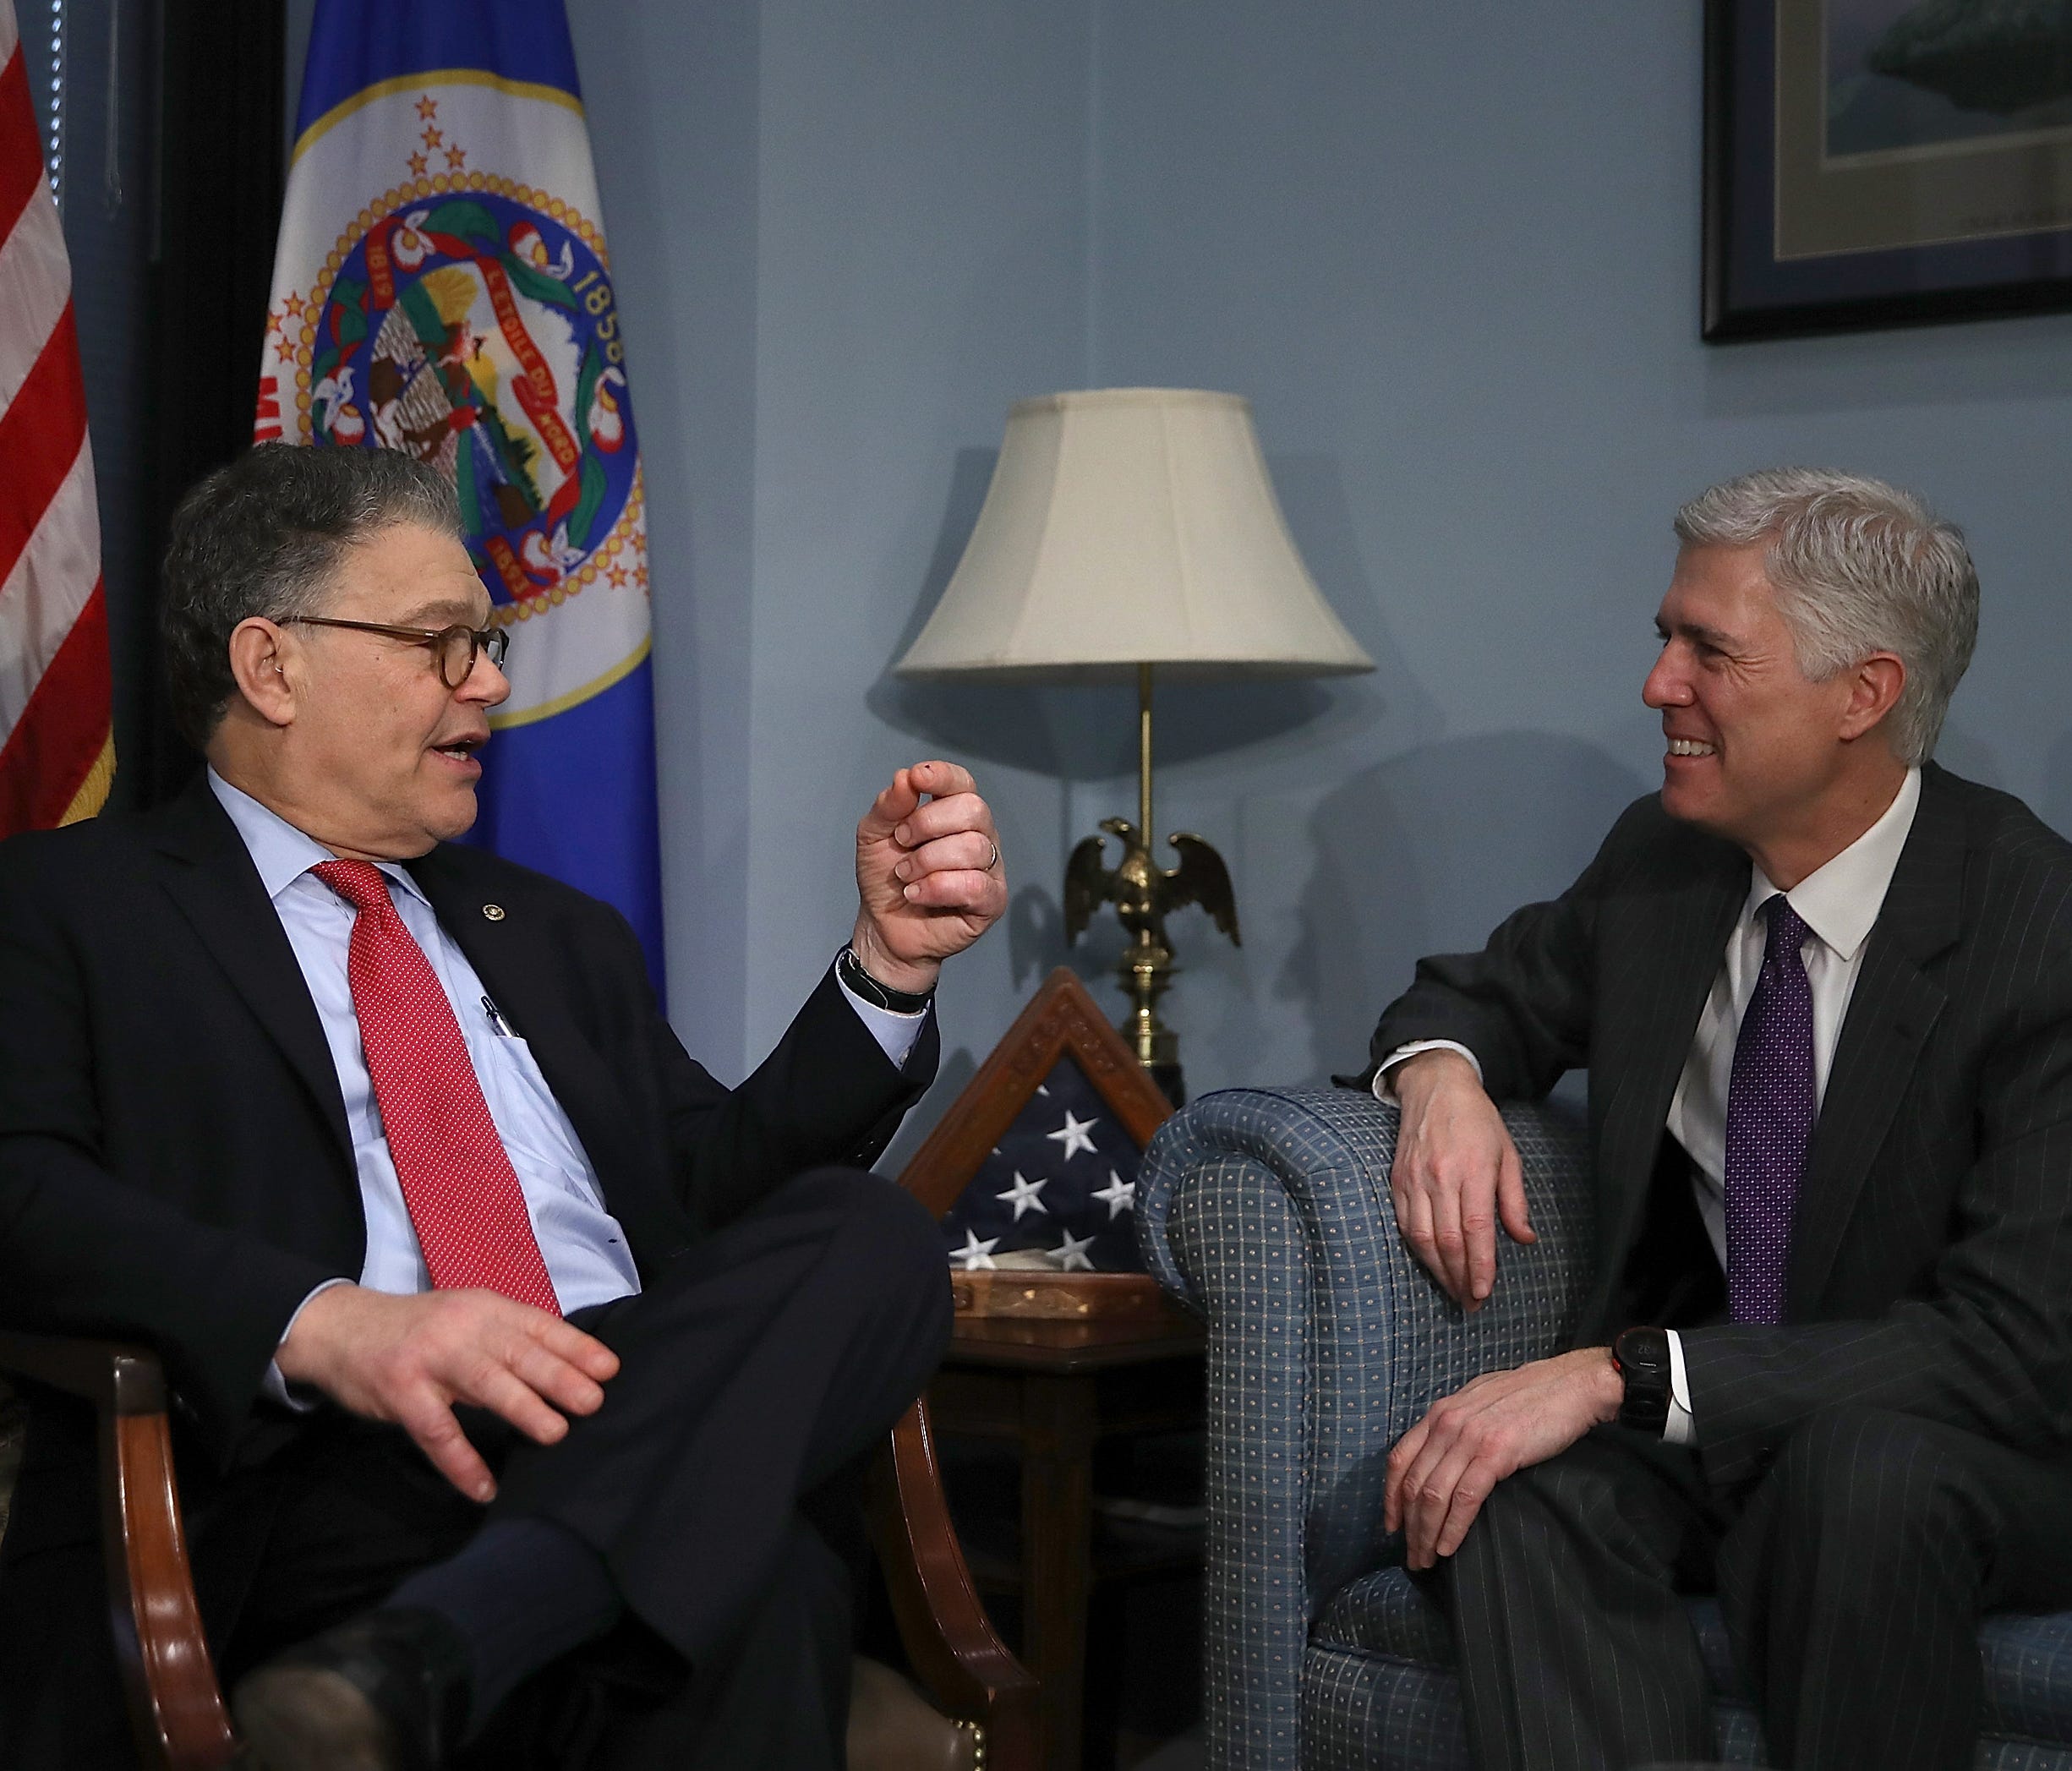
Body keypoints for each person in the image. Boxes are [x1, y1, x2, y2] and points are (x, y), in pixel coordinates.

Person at [0, 443, 1007, 1770]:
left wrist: (887, 970)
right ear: (271, 666)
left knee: (866, 1236)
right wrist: (327, 1323)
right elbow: (22, 1193)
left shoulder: (552, 933)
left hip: (624, 1410)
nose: (489, 683)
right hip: (327, 1470)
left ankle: (428, 1659)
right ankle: (468, 1622)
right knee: (755, 1586)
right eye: (443, 643)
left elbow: (715, 1195)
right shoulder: (70, 908)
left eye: (487, 642)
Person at [1364, 467, 2072, 1771]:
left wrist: (1619, 1375)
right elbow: (1469, 994)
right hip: (1723, 1416)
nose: (1658, 687)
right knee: (1499, 1494)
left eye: (1711, 651)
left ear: (1864, 694)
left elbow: (2018, 1347)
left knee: (1855, 1480)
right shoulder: (1664, 860)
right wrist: (1443, 1081)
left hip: (1967, 1447)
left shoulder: (2038, 928)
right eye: (1663, 639)